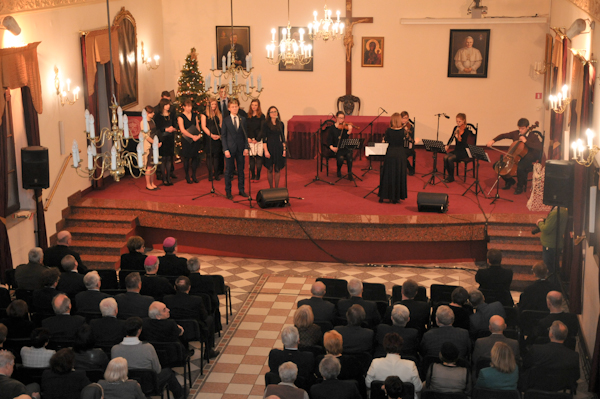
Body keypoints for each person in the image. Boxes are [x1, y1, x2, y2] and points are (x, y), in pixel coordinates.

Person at [111, 317, 183, 399]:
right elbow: (157, 369)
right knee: (168, 372)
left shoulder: (115, 349)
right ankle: (180, 395)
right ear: (139, 331)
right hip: (148, 385)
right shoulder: (148, 348)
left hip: (125, 383)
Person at [163, 276, 218, 358]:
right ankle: (208, 350)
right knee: (210, 319)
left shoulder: (167, 299)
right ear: (189, 287)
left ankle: (185, 349)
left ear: (175, 287)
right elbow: (204, 316)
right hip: (195, 330)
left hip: (175, 328)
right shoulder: (197, 300)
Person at [486, 118, 542, 194]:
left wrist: (526, 141)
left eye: (523, 129)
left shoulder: (533, 136)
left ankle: (520, 187)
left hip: (529, 156)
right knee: (498, 165)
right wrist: (493, 140)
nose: (520, 131)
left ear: (528, 127)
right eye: (519, 128)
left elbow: (539, 147)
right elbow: (503, 135)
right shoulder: (516, 134)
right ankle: (510, 181)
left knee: (520, 167)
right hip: (516, 156)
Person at [365, 333, 423, 398]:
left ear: (384, 346)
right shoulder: (410, 365)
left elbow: (368, 384)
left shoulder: (375, 363)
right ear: (401, 346)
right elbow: (418, 388)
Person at [221, 98, 249, 199]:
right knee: (229, 170)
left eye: (236, 106)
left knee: (241, 170)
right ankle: (228, 191)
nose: (235, 108)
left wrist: (246, 147)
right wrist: (225, 149)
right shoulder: (226, 120)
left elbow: (245, 134)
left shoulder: (242, 119)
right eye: (232, 107)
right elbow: (223, 136)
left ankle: (241, 189)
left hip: (240, 148)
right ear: (229, 108)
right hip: (230, 148)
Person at [378, 112, 408, 204]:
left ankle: (385, 195)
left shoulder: (388, 131)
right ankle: (396, 197)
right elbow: (407, 143)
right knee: (398, 174)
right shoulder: (403, 131)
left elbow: (385, 140)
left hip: (390, 154)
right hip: (400, 155)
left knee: (388, 174)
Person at [536, 207, 569, 281]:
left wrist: (539, 223)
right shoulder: (563, 210)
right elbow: (553, 223)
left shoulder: (556, 213)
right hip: (555, 243)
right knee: (554, 266)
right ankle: (555, 283)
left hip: (550, 244)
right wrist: (545, 220)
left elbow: (546, 229)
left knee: (549, 268)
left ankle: (551, 285)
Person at [443, 113, 474, 183]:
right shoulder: (456, 128)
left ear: (464, 121)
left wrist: (458, 137)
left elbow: (464, 144)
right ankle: (449, 175)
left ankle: (451, 177)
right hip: (457, 150)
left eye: (459, 121)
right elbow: (451, 137)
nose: (458, 123)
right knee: (445, 157)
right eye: (457, 121)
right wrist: (447, 145)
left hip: (464, 151)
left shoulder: (467, 131)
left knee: (450, 158)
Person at [178, 99, 202, 184]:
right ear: (184, 107)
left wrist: (199, 135)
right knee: (187, 158)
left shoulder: (194, 115)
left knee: (195, 157)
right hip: (187, 140)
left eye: (190, 106)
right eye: (187, 106)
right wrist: (192, 136)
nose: (189, 108)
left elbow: (197, 126)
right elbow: (182, 130)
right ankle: (187, 175)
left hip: (195, 138)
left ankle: (194, 175)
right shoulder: (181, 117)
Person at [154, 98, 177, 186]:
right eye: (167, 104)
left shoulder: (170, 115)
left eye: (169, 104)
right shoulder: (158, 116)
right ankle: (164, 178)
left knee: (169, 159)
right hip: (163, 138)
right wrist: (166, 129)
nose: (168, 106)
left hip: (170, 138)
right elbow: (157, 128)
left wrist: (173, 128)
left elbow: (174, 124)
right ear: (163, 105)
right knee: (163, 159)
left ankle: (168, 177)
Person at [262, 106, 287, 188]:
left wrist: (284, 150)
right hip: (269, 147)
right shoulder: (265, 124)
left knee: (277, 168)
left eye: (275, 111)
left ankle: (276, 188)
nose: (274, 113)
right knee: (269, 169)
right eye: (272, 112)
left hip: (278, 147)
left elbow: (283, 138)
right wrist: (265, 151)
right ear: (269, 114)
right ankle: (271, 188)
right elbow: (264, 139)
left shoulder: (281, 124)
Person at [201, 97, 223, 181]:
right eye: (212, 104)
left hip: (217, 136)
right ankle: (210, 174)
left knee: (216, 156)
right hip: (209, 137)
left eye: (215, 104)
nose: (213, 106)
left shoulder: (218, 114)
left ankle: (216, 174)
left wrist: (219, 135)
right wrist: (211, 135)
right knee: (210, 156)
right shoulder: (204, 114)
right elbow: (203, 126)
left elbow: (221, 125)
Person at [327, 111, 354, 180]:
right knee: (341, 158)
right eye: (340, 118)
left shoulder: (344, 128)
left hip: (343, 147)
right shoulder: (332, 128)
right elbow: (329, 139)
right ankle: (338, 171)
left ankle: (349, 173)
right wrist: (332, 147)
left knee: (349, 155)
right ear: (336, 118)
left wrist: (348, 132)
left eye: (342, 118)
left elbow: (344, 139)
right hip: (335, 148)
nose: (341, 120)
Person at [140, 105, 161, 191]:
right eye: (151, 112)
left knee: (153, 165)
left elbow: (154, 132)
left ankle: (152, 183)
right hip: (148, 146)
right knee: (149, 166)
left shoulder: (152, 121)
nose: (153, 114)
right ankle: (148, 184)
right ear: (147, 113)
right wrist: (155, 143)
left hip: (154, 145)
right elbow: (146, 136)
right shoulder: (143, 122)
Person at [247, 99, 265, 181]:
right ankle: (252, 175)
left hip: (258, 140)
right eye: (252, 105)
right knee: (251, 158)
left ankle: (258, 175)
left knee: (258, 157)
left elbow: (262, 129)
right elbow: (246, 128)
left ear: (258, 106)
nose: (254, 106)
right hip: (250, 140)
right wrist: (248, 138)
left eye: (255, 105)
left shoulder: (262, 116)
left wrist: (257, 139)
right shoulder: (248, 116)